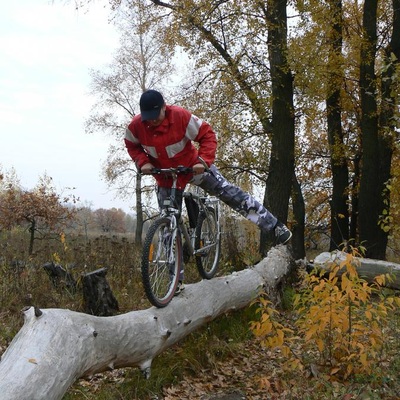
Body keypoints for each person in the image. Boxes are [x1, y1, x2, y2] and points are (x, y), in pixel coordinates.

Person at [125, 89, 292, 294]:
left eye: (155, 117)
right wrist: (142, 162)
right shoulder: (135, 126)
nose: (151, 123)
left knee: (229, 192)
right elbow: (132, 145)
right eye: (147, 118)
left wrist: (203, 161)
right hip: (166, 176)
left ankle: (274, 226)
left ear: (163, 107)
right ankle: (174, 282)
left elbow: (208, 135)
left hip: (193, 168)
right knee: (168, 224)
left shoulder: (181, 117)